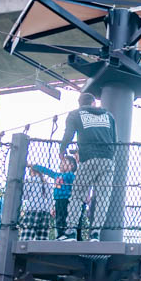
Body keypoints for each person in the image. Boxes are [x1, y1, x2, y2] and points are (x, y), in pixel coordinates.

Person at [58, 93, 117, 241]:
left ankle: (71, 230)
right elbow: (115, 139)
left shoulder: (75, 114)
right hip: (107, 160)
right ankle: (95, 233)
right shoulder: (108, 116)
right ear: (94, 103)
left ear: (80, 104)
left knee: (78, 195)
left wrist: (62, 149)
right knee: (103, 197)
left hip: (87, 159)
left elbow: (69, 134)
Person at [32, 155, 77, 237]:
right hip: (58, 200)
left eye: (64, 162)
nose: (61, 164)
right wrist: (35, 166)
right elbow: (47, 171)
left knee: (64, 218)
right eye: (61, 162)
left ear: (71, 166)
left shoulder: (71, 176)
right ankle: (60, 235)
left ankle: (66, 234)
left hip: (66, 200)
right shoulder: (57, 175)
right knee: (58, 219)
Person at [19, 165, 53, 241]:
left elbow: (25, 196)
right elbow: (50, 199)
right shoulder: (47, 184)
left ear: (32, 172)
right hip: (45, 212)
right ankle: (40, 252)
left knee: (27, 235)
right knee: (42, 238)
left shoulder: (30, 180)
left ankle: (23, 250)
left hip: (32, 209)